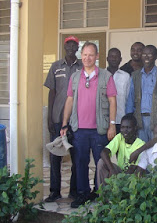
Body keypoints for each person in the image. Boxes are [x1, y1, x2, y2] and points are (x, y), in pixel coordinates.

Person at [60, 42, 117, 208]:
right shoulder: (75, 77)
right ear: (81, 56)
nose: (87, 58)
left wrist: (112, 124)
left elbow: (113, 100)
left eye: (91, 55)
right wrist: (64, 124)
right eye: (84, 54)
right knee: (80, 163)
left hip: (99, 129)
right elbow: (69, 100)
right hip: (79, 130)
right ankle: (82, 194)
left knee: (101, 164)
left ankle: (100, 194)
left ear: (97, 56)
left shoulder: (106, 76)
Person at [43, 35, 82, 202]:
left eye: (74, 46)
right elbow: (51, 92)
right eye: (68, 45)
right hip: (58, 117)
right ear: (64, 47)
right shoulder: (56, 66)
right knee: (55, 155)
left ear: (77, 48)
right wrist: (50, 118)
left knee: (76, 156)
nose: (71, 48)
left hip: (77, 119)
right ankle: (54, 191)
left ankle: (73, 191)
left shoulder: (83, 67)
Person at [97, 114, 146, 187]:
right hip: (120, 172)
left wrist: (117, 179)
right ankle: (103, 195)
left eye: (128, 127)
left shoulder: (140, 144)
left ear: (135, 128)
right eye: (122, 127)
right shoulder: (120, 137)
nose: (125, 131)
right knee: (101, 162)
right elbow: (104, 152)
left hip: (133, 177)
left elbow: (132, 169)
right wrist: (112, 169)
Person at [126, 45, 157, 142]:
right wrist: (129, 118)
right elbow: (131, 98)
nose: (146, 57)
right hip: (139, 120)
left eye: (149, 54)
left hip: (156, 118)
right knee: (142, 151)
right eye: (144, 54)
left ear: (155, 56)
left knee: (156, 150)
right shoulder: (135, 75)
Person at [107, 48, 130, 134]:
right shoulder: (101, 76)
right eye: (111, 56)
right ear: (107, 58)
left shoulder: (126, 76)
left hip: (121, 120)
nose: (113, 59)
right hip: (104, 121)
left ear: (120, 59)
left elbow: (128, 99)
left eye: (116, 57)